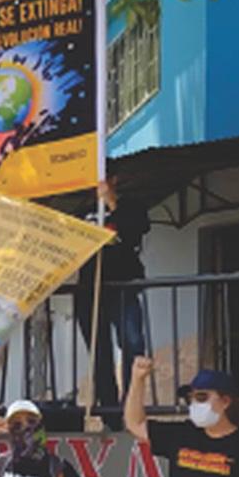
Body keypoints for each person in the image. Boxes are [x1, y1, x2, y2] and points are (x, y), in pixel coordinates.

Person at [74, 176, 151, 425]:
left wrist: (110, 201)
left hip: (123, 286)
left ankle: (131, 401)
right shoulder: (81, 212)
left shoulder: (132, 207)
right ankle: (110, 410)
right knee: (99, 352)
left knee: (132, 342)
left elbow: (134, 233)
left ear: (116, 179)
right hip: (90, 290)